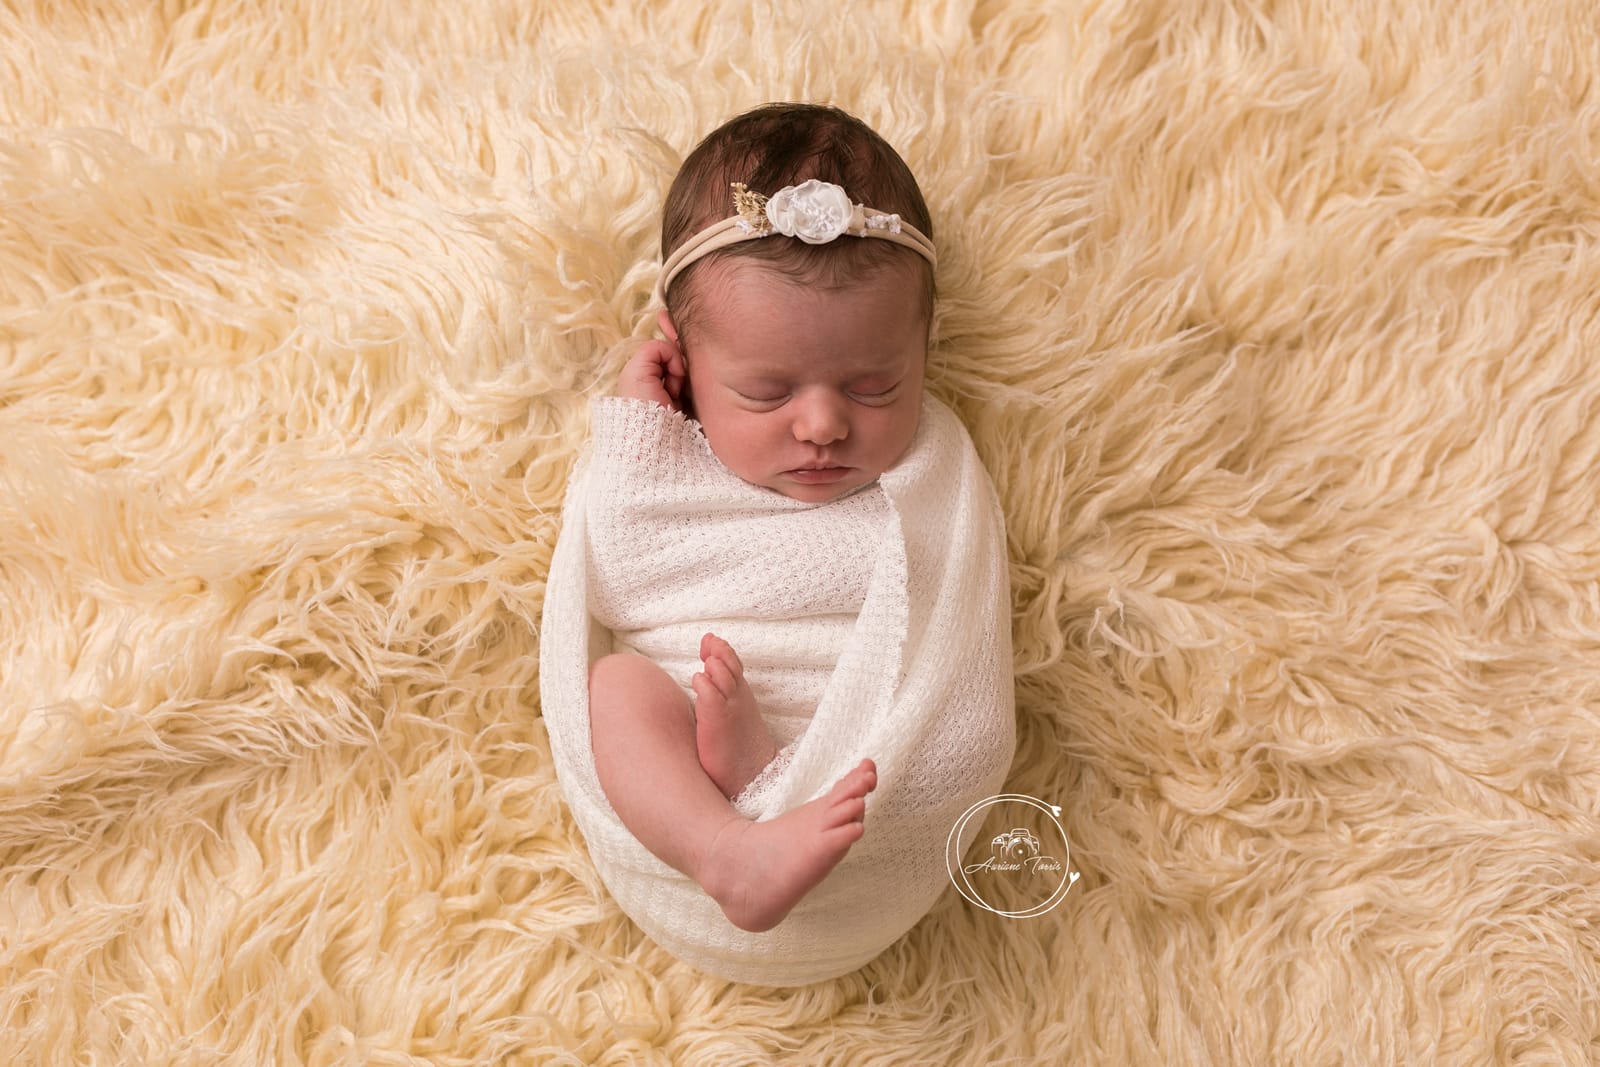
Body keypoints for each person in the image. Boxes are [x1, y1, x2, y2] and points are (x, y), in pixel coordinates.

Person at [540, 103, 1014, 981]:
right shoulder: (670, 464)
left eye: (876, 385)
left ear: (925, 347)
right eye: (765, 393)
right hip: (686, 756)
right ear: (681, 356)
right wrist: (639, 440)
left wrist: (800, 768)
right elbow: (623, 579)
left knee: (967, 733)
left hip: (863, 763)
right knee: (616, 688)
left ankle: (771, 771)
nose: (825, 424)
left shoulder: (931, 471)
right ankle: (724, 847)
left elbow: (960, 636)